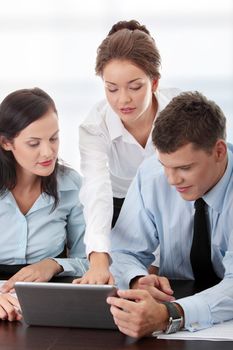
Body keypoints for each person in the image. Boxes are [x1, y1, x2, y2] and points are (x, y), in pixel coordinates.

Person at [107, 91, 233, 338]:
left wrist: (170, 314)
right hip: (174, 307)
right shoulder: (152, 174)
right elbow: (123, 251)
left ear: (219, 151)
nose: (172, 180)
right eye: (165, 165)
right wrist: (137, 279)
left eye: (184, 168)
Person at [75, 19, 180, 284]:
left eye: (135, 87)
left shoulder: (180, 111)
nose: (123, 99)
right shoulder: (94, 126)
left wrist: (154, 266)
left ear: (154, 83)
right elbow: (97, 190)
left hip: (175, 201)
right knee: (122, 276)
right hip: (118, 206)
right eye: (111, 88)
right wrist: (99, 260)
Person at [0, 87, 88, 321]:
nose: (48, 152)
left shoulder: (71, 185)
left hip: (50, 306)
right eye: (33, 143)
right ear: (6, 143)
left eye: (54, 138)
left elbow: (90, 262)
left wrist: (53, 265)